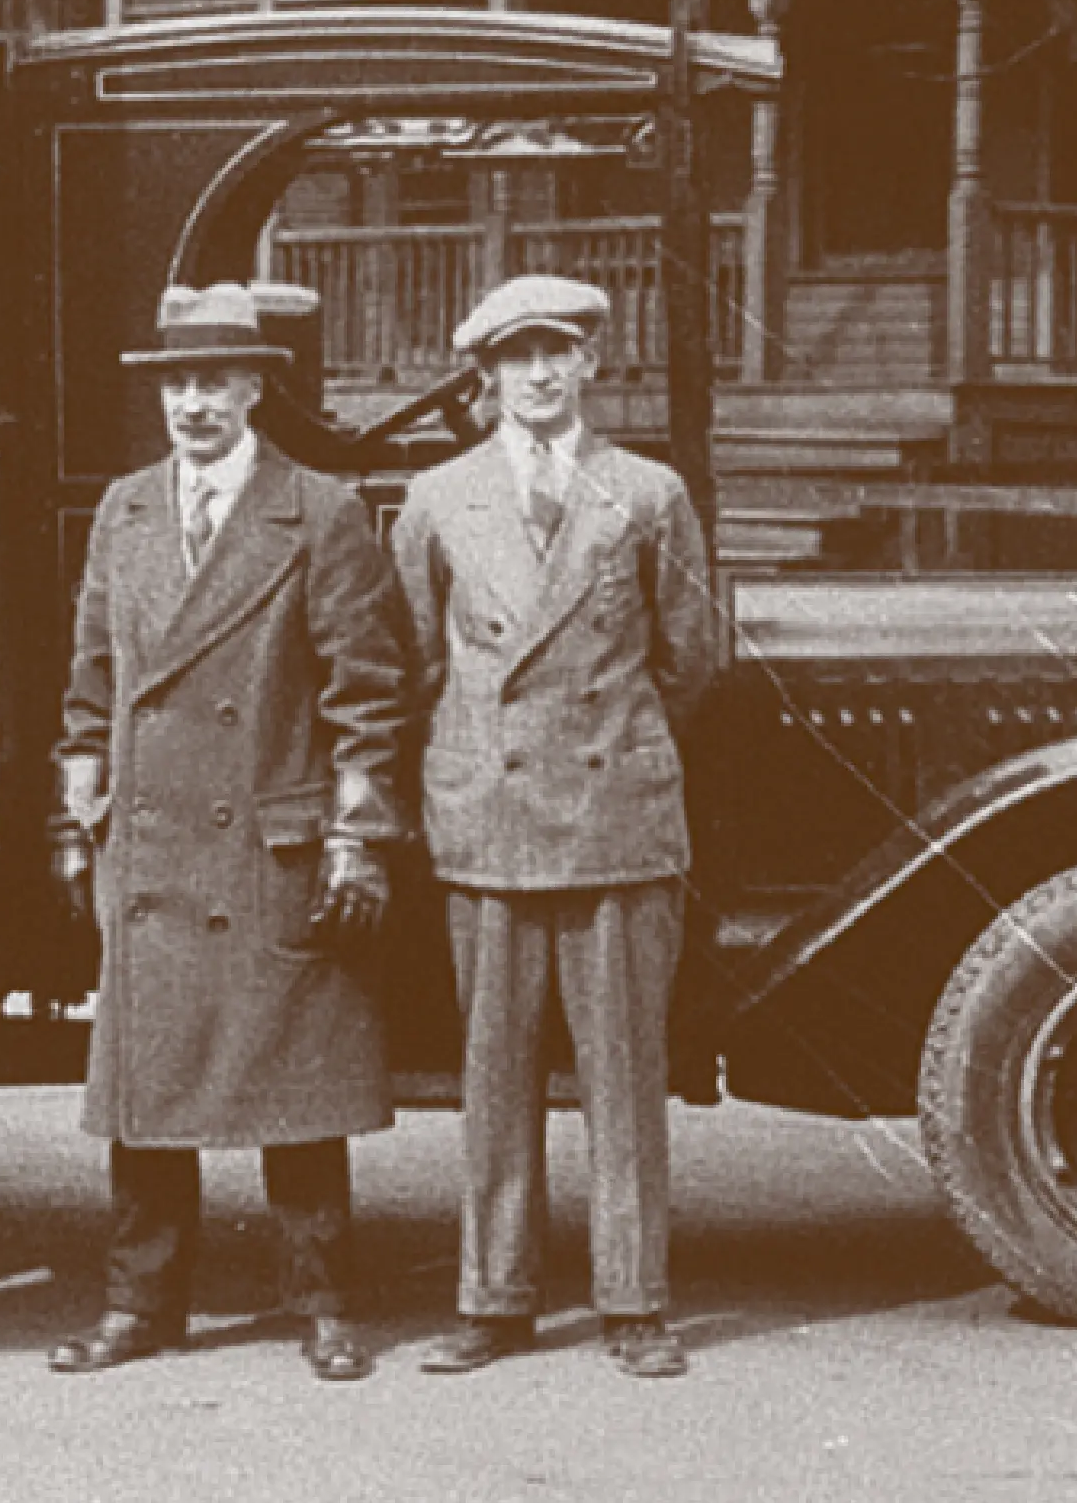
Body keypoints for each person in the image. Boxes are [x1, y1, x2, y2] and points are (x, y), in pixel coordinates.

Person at [51, 284, 406, 1382]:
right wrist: (77, 816)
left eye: (216, 381)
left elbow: (370, 689)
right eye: (177, 382)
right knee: (147, 1094)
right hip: (151, 844)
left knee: (295, 1090)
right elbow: (93, 683)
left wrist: (357, 835)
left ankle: (325, 1302)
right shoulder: (126, 511)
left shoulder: (322, 511)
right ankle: (139, 1305)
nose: (194, 403)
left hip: (267, 839)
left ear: (256, 389)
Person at [388, 273, 727, 1381]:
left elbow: (690, 658)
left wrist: (617, 748)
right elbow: (418, 664)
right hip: (489, 814)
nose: (538, 374)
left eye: (559, 352)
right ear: (483, 376)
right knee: (495, 1073)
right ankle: (494, 1298)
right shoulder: (437, 499)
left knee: (625, 1075)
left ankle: (634, 1300)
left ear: (590, 364)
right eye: (516, 356)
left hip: (616, 816)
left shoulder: (647, 494)